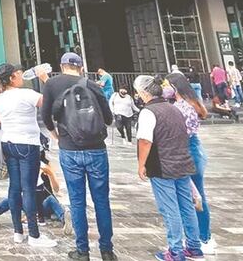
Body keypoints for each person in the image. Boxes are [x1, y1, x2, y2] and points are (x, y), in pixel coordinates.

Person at [41, 52, 117, 260]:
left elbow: (45, 116)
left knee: (77, 200)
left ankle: (82, 250)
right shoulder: (91, 85)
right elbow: (109, 119)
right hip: (96, 149)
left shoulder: (52, 84)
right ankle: (107, 250)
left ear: (62, 65)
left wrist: (56, 135)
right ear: (81, 67)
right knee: (101, 200)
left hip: (70, 148)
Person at [0, 62, 56, 248]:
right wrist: (45, 79)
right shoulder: (27, 94)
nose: (22, 76)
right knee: (29, 189)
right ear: (12, 77)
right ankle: (34, 234)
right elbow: (50, 102)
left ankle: (18, 232)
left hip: (8, 144)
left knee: (14, 188)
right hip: (28, 145)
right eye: (19, 73)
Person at [133, 75, 202, 261]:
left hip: (163, 165)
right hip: (182, 162)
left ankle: (175, 251)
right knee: (186, 206)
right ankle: (194, 247)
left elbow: (145, 141)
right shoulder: (174, 108)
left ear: (143, 92)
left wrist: (141, 165)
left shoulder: (149, 112)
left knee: (169, 208)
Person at [167, 72, 217, 255]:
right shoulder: (190, 104)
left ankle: (202, 238)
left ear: (174, 87)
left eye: (167, 85)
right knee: (195, 194)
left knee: (195, 196)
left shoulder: (182, 106)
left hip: (187, 150)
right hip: (195, 149)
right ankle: (200, 237)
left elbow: (181, 133)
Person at [0, 142, 66, 229]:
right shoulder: (26, 165)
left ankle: (65, 219)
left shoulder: (47, 165)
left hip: (44, 203)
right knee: (13, 198)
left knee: (51, 199)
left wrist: (50, 174)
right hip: (30, 202)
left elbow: (56, 189)